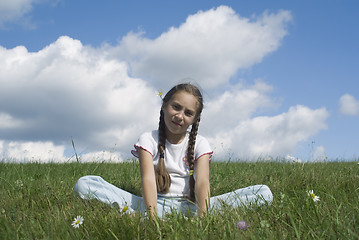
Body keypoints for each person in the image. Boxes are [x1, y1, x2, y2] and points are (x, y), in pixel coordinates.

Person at [74, 83, 273, 218]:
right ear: (164, 106)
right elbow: (148, 180)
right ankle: (148, 213)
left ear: (195, 119)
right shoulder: (148, 139)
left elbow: (203, 182)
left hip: (192, 207)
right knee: (84, 185)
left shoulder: (201, 144)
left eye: (188, 113)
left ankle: (193, 215)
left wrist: (202, 218)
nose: (179, 116)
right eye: (176, 107)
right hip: (151, 203)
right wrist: (152, 218)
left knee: (264, 193)